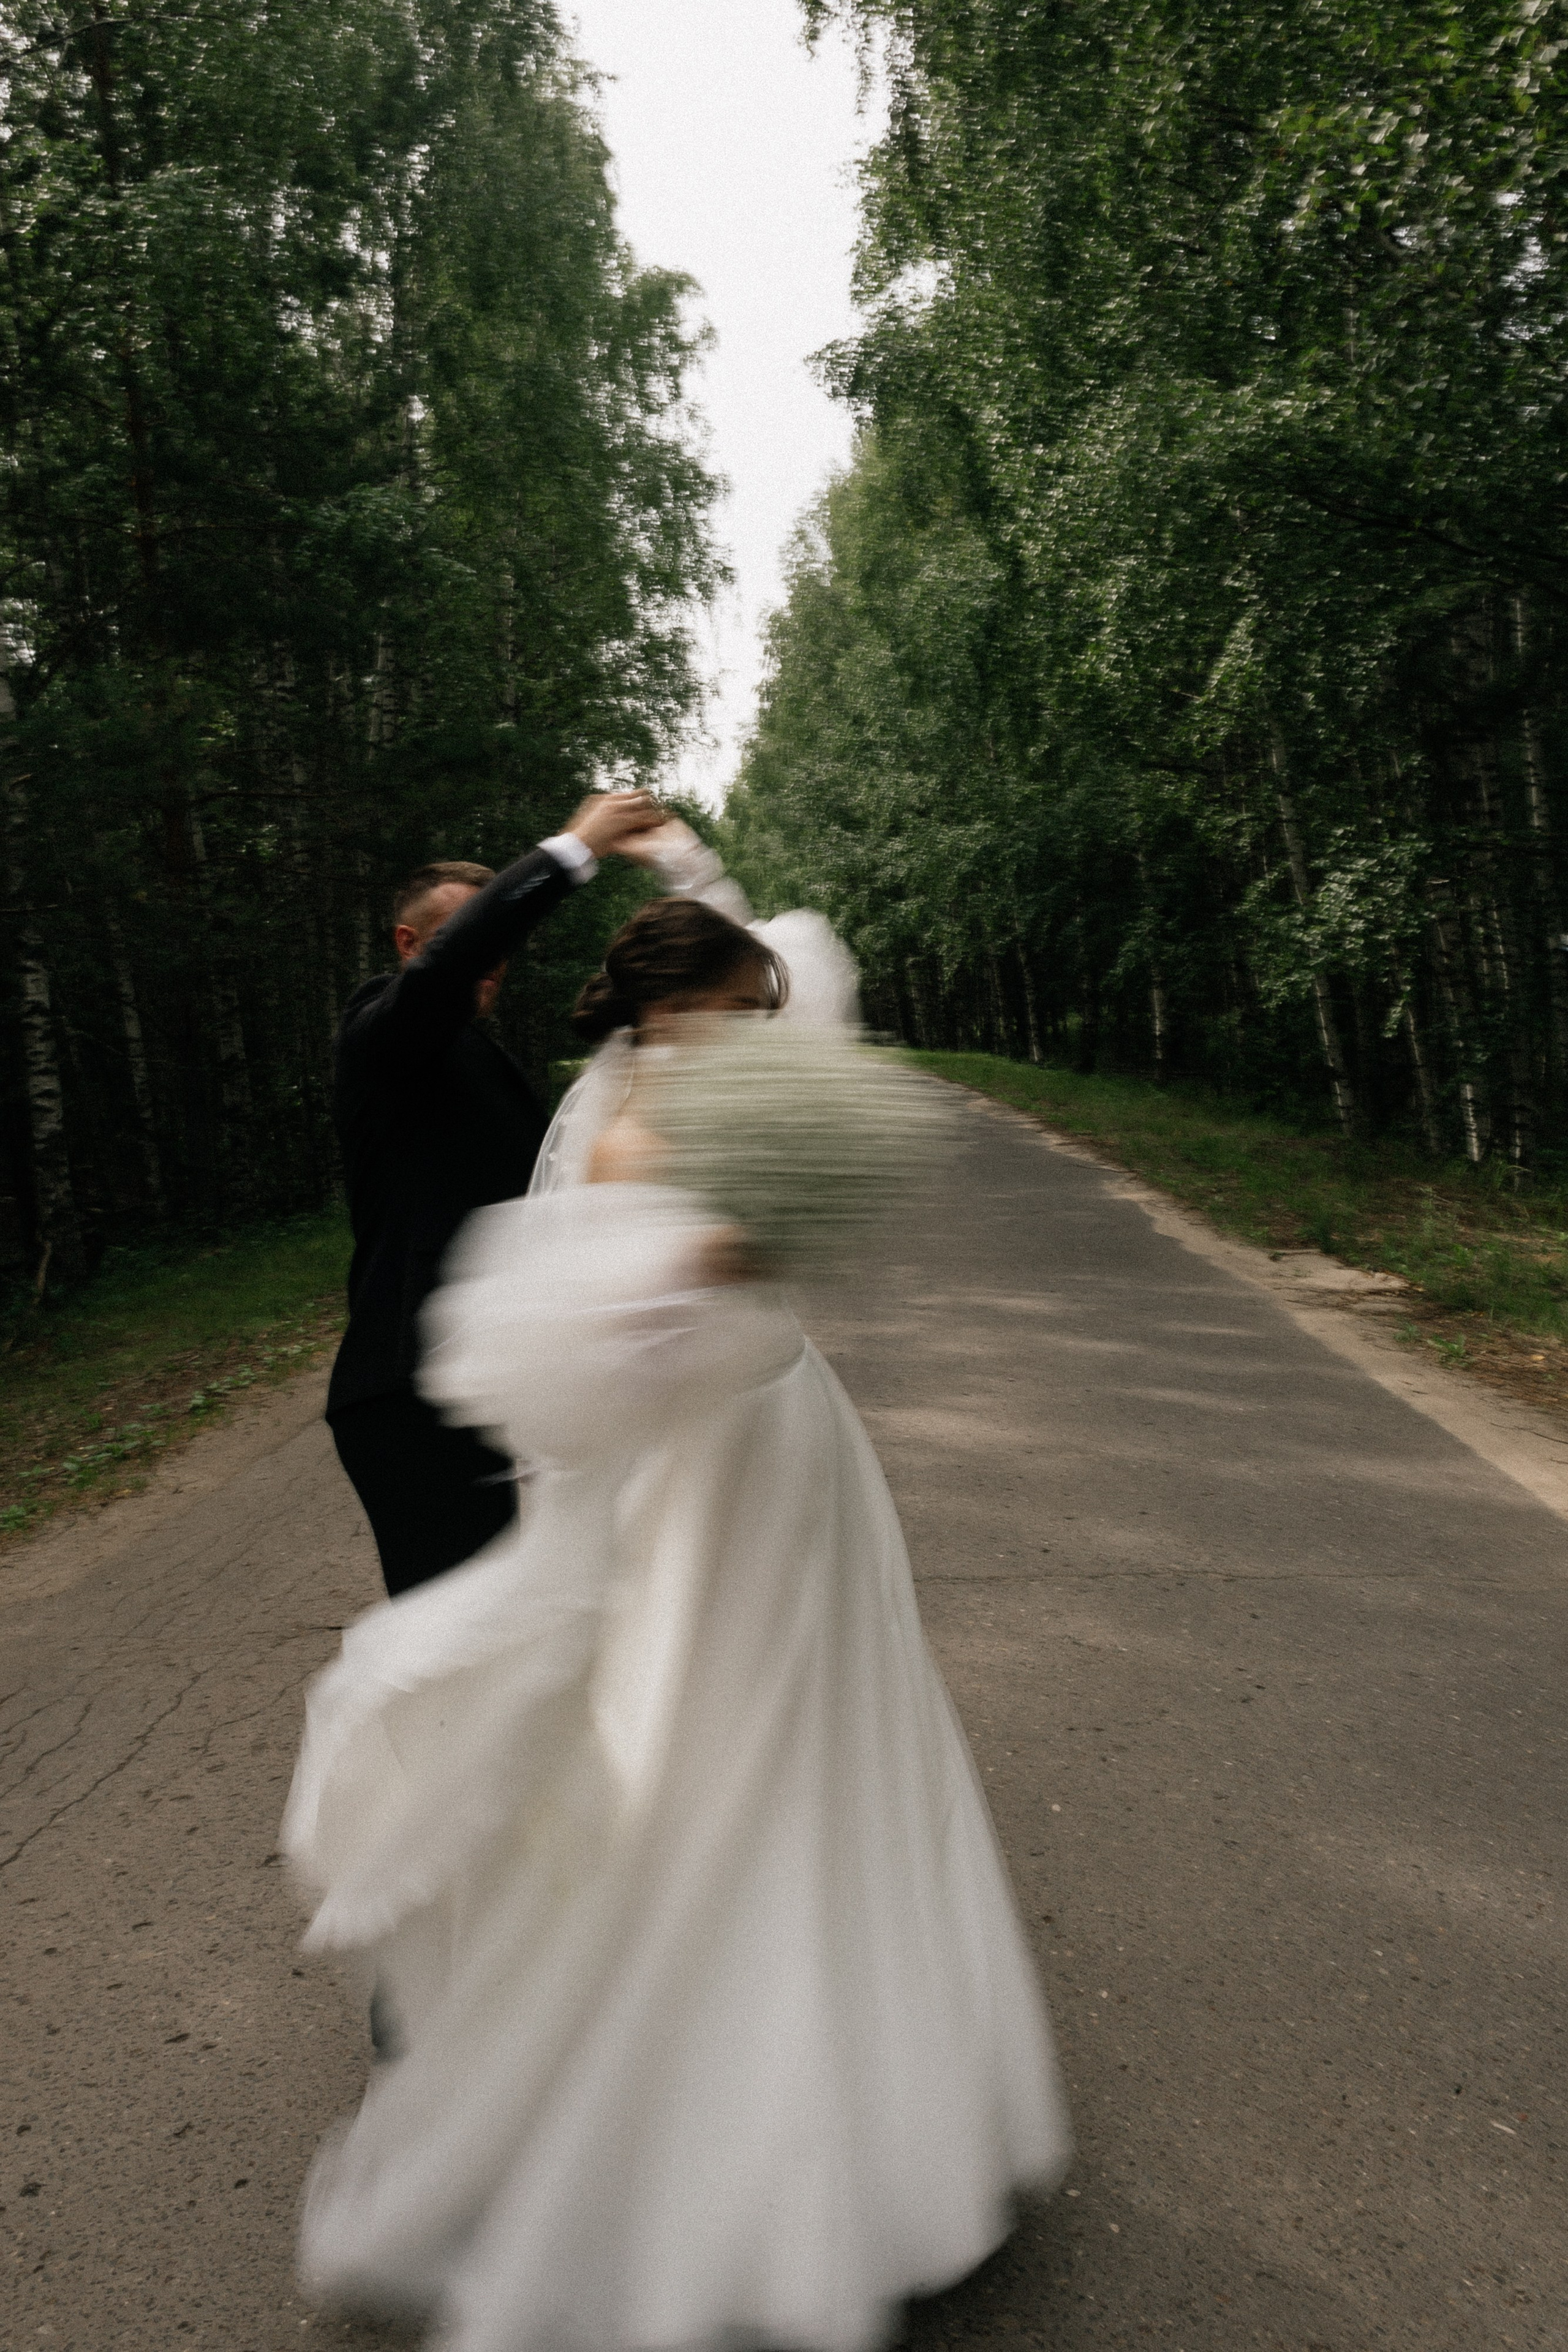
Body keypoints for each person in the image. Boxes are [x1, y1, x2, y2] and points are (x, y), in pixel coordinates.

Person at [284, 881, 1072, 2352]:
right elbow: (606, 1329)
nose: (751, 1031)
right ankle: (718, 2120)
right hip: (713, 1474)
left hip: (797, 1454)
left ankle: (863, 2076)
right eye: (730, 1008)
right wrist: (725, 1258)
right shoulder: (627, 1113)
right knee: (725, 1749)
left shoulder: (705, 1080)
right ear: (667, 1006)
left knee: (837, 1744)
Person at [325, 791, 662, 1596]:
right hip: (408, 1398)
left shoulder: (472, 1060)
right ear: (410, 944)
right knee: (459, 1653)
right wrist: (574, 850)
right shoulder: (381, 1034)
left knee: (515, 1636)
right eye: (472, 937)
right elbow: (445, 974)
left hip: (472, 1386)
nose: (495, 958)